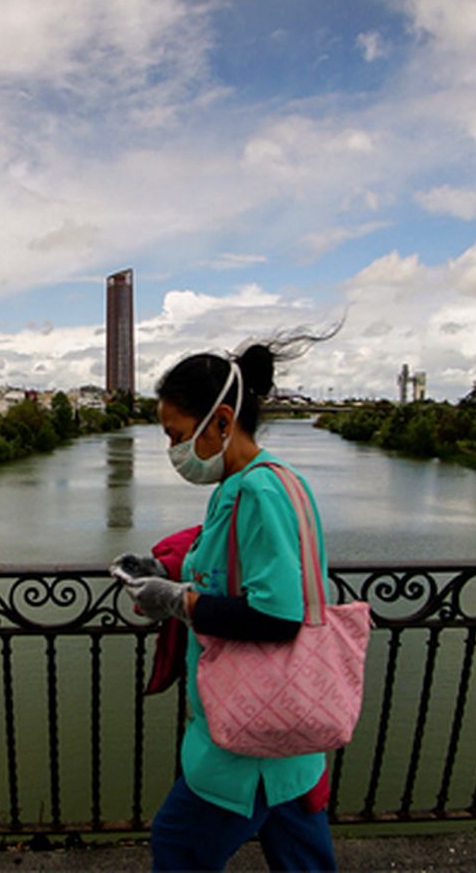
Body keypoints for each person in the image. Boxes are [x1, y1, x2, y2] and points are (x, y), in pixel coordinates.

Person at [113, 336, 338, 872]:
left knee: (177, 845)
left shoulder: (259, 493)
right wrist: (167, 572)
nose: (173, 451)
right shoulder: (263, 482)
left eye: (176, 435)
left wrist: (177, 602)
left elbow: (278, 614)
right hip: (286, 737)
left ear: (221, 421)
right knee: (302, 859)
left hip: (248, 741)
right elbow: (235, 568)